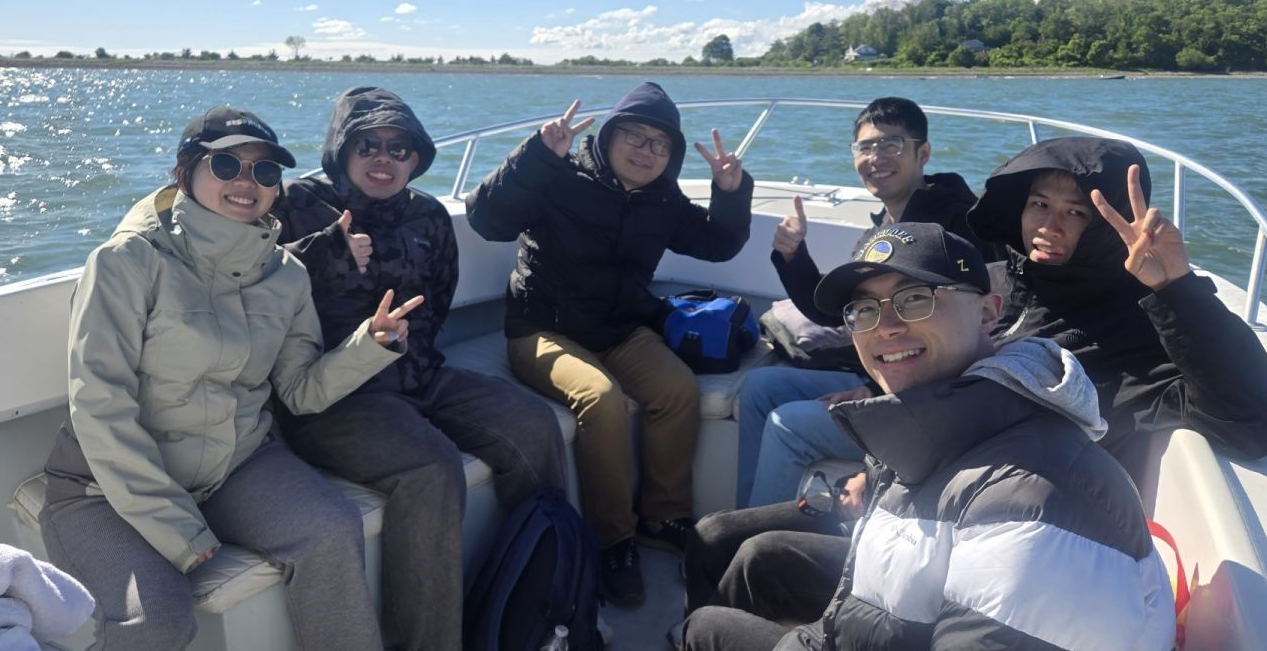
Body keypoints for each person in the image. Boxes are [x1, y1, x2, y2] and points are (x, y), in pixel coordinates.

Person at [681, 223, 1176, 651]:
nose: (886, 328)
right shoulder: (940, 415)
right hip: (889, 612)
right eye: (864, 310)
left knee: (704, 630)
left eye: (915, 299)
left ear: (987, 313)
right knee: (754, 559)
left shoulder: (1036, 505)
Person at [39, 107, 422, 651]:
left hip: (231, 466)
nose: (247, 183)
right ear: (186, 171)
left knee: (332, 527)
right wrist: (179, 530)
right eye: (226, 165)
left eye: (265, 172)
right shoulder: (128, 260)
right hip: (104, 487)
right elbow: (99, 405)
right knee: (157, 619)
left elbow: (299, 390)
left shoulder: (286, 275)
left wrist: (371, 346)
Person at [273, 86, 567, 651]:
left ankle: (539, 599)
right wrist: (323, 251)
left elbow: (436, 301)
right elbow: (252, 281)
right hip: (331, 395)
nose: (384, 158)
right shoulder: (295, 204)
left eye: (399, 147)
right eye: (367, 144)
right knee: (431, 468)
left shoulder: (430, 215)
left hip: (421, 374)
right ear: (341, 149)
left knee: (535, 424)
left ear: (417, 157)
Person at [464, 82, 753, 605]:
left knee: (678, 389)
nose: (646, 152)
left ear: (672, 156)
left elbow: (719, 244)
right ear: (608, 136)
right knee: (601, 399)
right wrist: (535, 156)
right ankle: (613, 540)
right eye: (635, 137)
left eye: (660, 145)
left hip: (619, 328)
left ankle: (663, 516)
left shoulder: (662, 198)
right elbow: (487, 220)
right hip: (540, 329)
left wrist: (730, 191)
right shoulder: (559, 176)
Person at [965, 135, 1267, 480]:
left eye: (1075, 212)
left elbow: (1252, 426)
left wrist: (1176, 289)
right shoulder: (984, 281)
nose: (1049, 227)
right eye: (1039, 204)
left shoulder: (1138, 328)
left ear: (1109, 226)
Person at [737, 97, 988, 507]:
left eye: (891, 145)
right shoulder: (883, 233)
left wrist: (873, 387)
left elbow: (971, 333)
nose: (876, 157)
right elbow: (837, 314)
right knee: (760, 387)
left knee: (788, 423)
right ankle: (743, 517)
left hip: (934, 401)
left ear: (922, 153)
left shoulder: (956, 228)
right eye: (865, 147)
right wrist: (792, 255)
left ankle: (762, 535)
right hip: (886, 374)